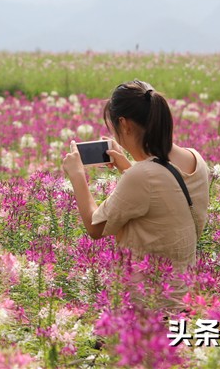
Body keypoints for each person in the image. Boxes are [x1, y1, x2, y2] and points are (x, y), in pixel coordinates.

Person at [62, 79, 210, 305]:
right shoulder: (196, 160)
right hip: (184, 300)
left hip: (145, 307)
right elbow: (165, 197)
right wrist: (126, 165)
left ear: (125, 124)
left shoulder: (142, 176)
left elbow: (95, 227)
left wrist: (77, 175)